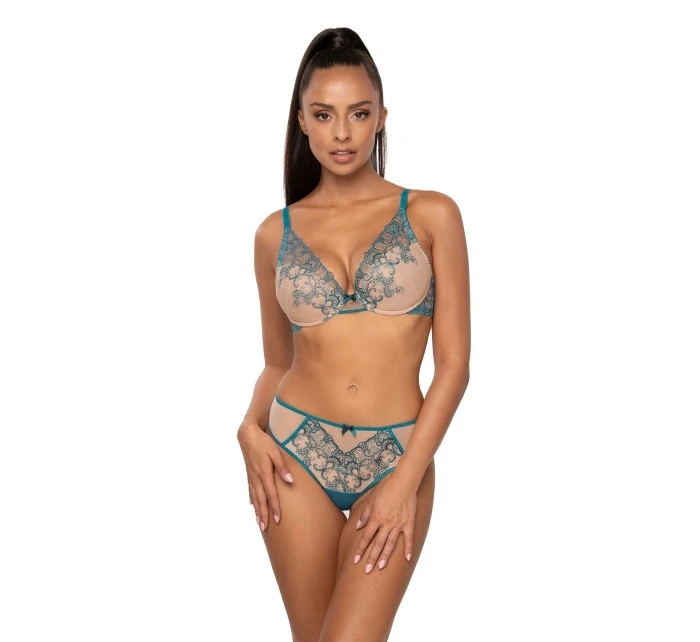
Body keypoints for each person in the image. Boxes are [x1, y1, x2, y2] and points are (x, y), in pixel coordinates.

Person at [237, 27, 471, 642]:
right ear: (302, 122)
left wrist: (406, 482)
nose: (341, 133)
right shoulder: (273, 234)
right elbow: (276, 363)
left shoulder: (432, 214)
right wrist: (248, 428)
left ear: (381, 118)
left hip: (397, 455)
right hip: (294, 453)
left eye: (358, 113)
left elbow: (454, 365)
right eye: (324, 115)